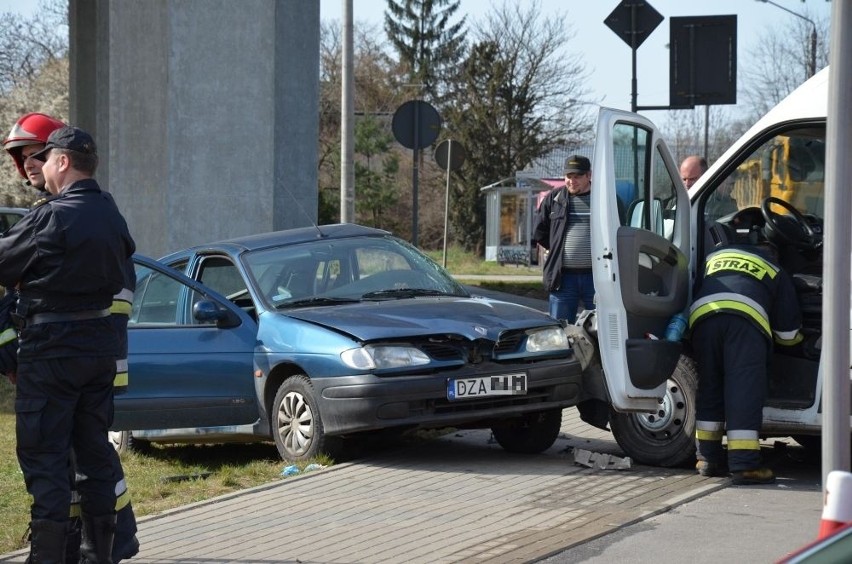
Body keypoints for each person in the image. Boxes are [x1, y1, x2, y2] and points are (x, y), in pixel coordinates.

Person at [4, 113, 140, 563]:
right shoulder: (110, 212)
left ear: (62, 163)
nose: (37, 168)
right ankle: (99, 555)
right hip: (99, 357)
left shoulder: (51, 218)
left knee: (46, 462)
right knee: (94, 457)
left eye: (43, 160)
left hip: (51, 355)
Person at [688, 237, 802, 485]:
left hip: (702, 320)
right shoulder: (774, 268)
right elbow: (788, 334)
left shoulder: (712, 258)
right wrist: (796, 343)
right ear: (772, 252)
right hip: (744, 326)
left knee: (710, 388)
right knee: (743, 392)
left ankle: (707, 458)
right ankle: (744, 466)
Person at [532, 154, 595, 323]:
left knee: (602, 330)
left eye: (578, 177)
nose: (572, 181)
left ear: (589, 175)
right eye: (569, 176)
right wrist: (557, 248)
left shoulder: (603, 199)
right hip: (563, 279)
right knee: (560, 331)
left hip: (597, 279)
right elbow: (539, 231)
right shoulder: (554, 199)